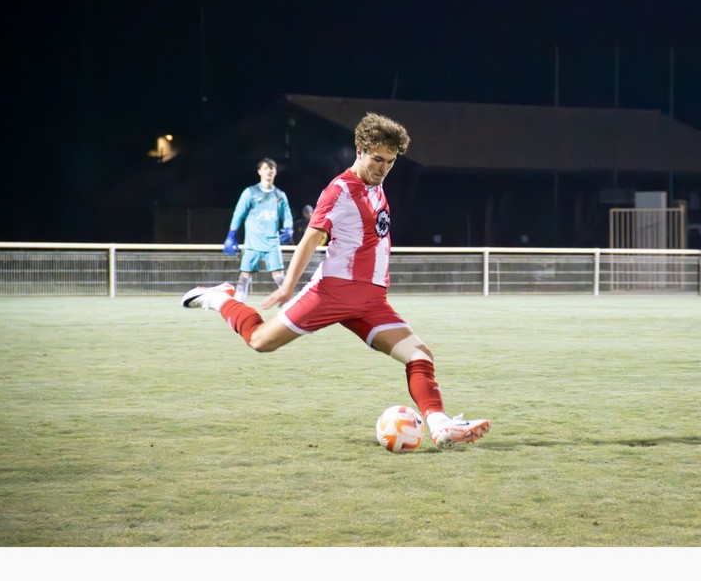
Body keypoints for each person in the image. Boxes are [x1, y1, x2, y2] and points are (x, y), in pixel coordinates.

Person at [183, 112, 490, 449]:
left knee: (420, 355)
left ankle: (441, 425)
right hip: (332, 293)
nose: (383, 168)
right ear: (359, 151)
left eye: (390, 161)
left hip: (371, 301)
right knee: (260, 341)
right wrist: (288, 286)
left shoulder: (377, 184)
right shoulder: (338, 191)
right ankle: (219, 297)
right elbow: (311, 239)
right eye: (377, 159)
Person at [223, 158, 294, 302]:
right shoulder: (250, 192)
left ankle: (291, 307)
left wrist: (289, 229)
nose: (269, 171)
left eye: (272, 168)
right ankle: (237, 307)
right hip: (252, 243)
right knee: (244, 277)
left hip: (272, 243)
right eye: (266, 168)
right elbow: (238, 214)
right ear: (259, 171)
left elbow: (287, 215)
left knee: (280, 277)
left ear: (275, 172)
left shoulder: (280, 195)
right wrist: (231, 235)